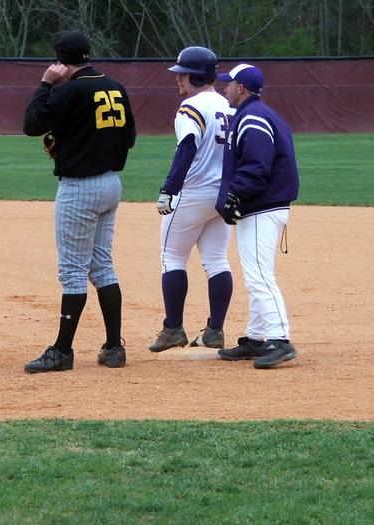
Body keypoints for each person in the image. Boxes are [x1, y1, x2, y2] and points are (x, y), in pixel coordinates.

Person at [22, 30, 136, 373]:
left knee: (72, 270)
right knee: (102, 266)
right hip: (110, 184)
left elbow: (31, 124)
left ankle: (62, 351)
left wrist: (46, 84)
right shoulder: (114, 86)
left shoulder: (68, 90)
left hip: (79, 188)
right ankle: (114, 347)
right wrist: (78, 142)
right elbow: (129, 138)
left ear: (59, 60)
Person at [148, 46, 234, 353]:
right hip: (223, 195)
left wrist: (169, 188)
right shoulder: (229, 105)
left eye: (182, 74)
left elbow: (187, 146)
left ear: (195, 76)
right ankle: (215, 330)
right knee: (217, 260)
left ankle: (173, 329)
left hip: (194, 192)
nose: (178, 79)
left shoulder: (191, 107)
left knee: (172, 258)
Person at [214, 63, 300, 369]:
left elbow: (257, 165)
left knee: (260, 275)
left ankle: (280, 339)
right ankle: (256, 338)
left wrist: (235, 194)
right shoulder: (256, 113)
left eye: (229, 84)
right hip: (263, 205)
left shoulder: (253, 117)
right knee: (256, 274)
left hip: (262, 207)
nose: (225, 88)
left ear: (241, 88)